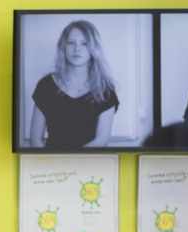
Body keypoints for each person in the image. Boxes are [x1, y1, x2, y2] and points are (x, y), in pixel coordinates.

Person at [24, 20, 120, 149]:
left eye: (84, 44)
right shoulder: (45, 85)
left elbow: (101, 141)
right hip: (51, 164)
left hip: (91, 164)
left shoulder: (105, 89)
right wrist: (53, 164)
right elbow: (35, 140)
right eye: (71, 43)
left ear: (93, 48)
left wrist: (72, 162)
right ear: (63, 46)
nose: (77, 49)